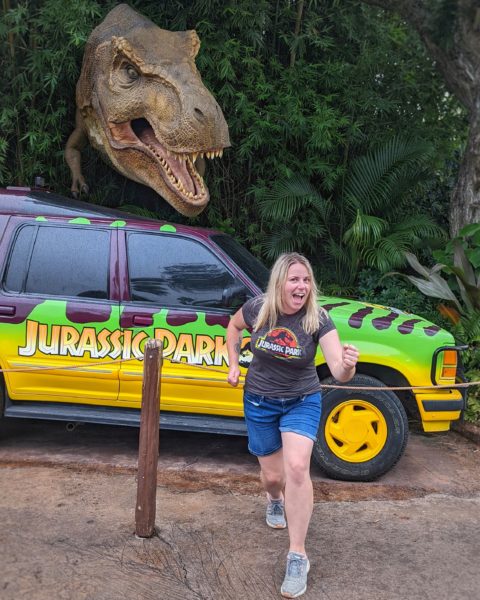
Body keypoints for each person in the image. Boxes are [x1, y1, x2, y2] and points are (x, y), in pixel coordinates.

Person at [226, 252, 359, 598]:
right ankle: (274, 499)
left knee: (298, 468)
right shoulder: (260, 308)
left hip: (302, 399)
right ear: (280, 282)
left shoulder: (318, 318)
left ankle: (297, 554)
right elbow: (233, 326)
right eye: (294, 279)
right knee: (274, 477)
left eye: (306, 279)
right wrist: (233, 364)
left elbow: (338, 371)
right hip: (259, 400)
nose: (302, 286)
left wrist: (347, 366)